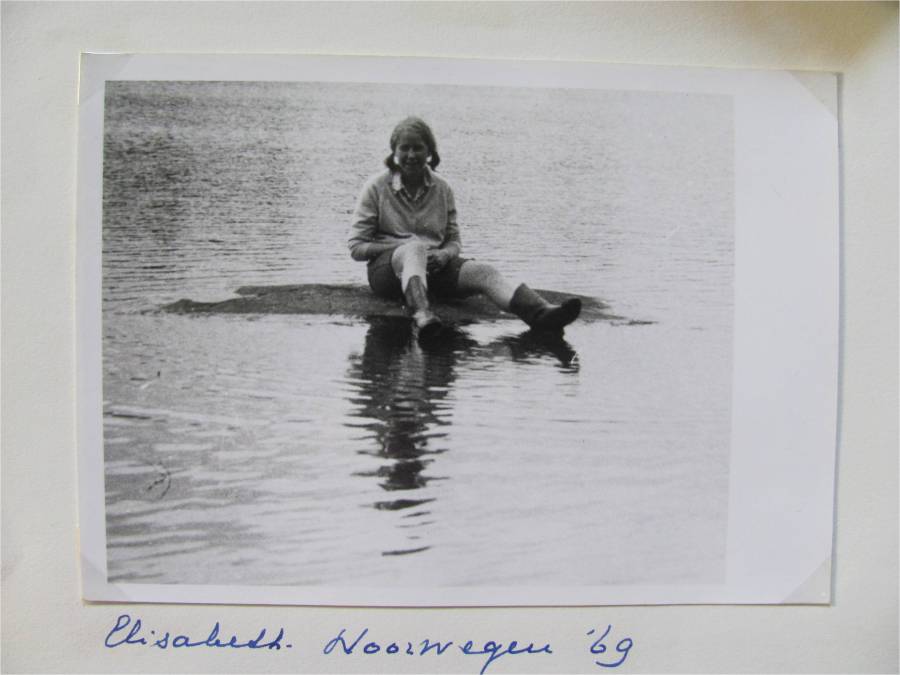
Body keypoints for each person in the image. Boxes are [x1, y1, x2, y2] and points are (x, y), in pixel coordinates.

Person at [348, 116, 581, 340]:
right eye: (404, 148)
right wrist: (406, 248)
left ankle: (541, 313)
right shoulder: (376, 187)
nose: (411, 155)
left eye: (418, 148)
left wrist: (444, 254)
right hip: (388, 272)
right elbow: (356, 248)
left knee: (484, 271)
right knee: (414, 249)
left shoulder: (442, 188)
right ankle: (422, 315)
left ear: (429, 152)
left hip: (432, 269)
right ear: (394, 151)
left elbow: (454, 241)